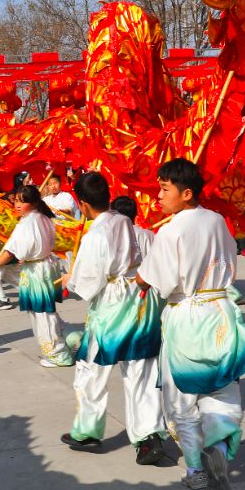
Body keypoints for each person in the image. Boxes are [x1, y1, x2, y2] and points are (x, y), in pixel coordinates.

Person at [136, 159, 245, 490]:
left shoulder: (170, 231)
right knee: (222, 387)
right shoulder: (218, 221)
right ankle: (217, 447)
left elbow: (158, 279)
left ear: (186, 194)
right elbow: (231, 262)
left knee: (183, 398)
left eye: (164, 189)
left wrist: (138, 275)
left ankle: (196, 468)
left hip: (185, 313)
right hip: (220, 311)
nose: (159, 196)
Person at [59, 173, 166, 464]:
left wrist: (71, 279)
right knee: (140, 372)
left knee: (91, 370)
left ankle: (88, 431)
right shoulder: (122, 220)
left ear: (82, 203)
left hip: (112, 305)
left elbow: (88, 282)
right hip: (139, 299)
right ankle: (148, 437)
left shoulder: (96, 232)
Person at [0, 186, 73, 367]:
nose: (17, 205)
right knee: (44, 311)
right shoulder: (44, 218)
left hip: (37, 270)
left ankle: (58, 353)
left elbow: (10, 252)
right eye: (16, 201)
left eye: (22, 201)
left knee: (42, 313)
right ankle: (66, 340)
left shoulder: (28, 222)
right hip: (42, 267)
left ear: (32, 203)